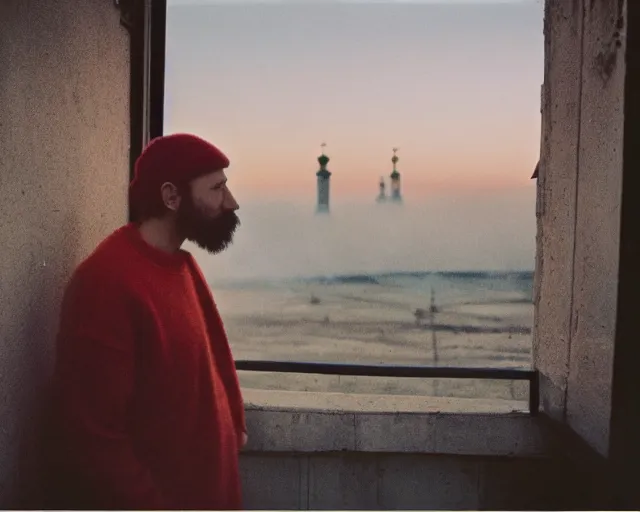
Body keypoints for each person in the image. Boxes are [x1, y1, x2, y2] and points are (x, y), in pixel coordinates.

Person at [48, 133, 248, 510]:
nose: (231, 202)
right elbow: (95, 437)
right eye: (218, 188)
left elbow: (214, 356)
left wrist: (234, 424)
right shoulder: (107, 282)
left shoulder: (183, 265)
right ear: (171, 197)